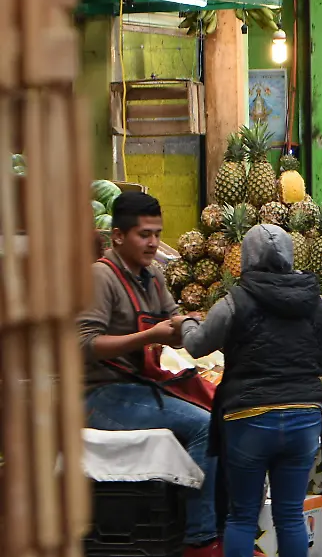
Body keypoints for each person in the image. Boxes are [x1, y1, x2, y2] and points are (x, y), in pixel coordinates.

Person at [180, 224, 322, 557]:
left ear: (247, 257)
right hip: (303, 419)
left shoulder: (235, 301)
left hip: (248, 419)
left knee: (241, 517)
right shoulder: (316, 303)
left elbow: (196, 346)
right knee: (290, 516)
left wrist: (186, 322)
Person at [78, 191, 220, 557]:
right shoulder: (101, 277)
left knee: (223, 412)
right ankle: (201, 540)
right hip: (99, 396)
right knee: (206, 426)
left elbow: (173, 317)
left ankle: (223, 526)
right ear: (119, 237)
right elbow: (84, 344)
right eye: (145, 235)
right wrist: (150, 335)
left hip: (139, 387)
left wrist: (191, 324)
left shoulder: (153, 275)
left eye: (157, 233)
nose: (154, 242)